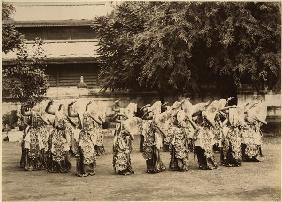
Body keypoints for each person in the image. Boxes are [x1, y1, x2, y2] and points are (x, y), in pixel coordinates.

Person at [68, 100, 103, 177]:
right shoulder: (81, 114)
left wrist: (92, 116)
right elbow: (70, 114)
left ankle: (89, 169)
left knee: (90, 152)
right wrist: (69, 106)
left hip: (90, 136)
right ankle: (83, 170)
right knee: (83, 152)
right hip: (83, 136)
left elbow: (100, 122)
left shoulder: (92, 115)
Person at [45, 100, 72, 173]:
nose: (62, 108)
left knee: (65, 148)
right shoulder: (56, 112)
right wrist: (49, 104)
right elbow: (47, 111)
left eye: (63, 107)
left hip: (63, 133)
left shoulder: (65, 114)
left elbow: (69, 119)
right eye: (61, 106)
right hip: (57, 132)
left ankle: (63, 165)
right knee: (55, 147)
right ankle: (56, 165)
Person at [20, 104, 47, 171]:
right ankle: (30, 164)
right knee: (28, 145)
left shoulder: (40, 115)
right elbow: (24, 113)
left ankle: (38, 163)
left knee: (41, 146)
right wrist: (23, 107)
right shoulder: (32, 113)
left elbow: (45, 122)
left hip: (38, 131)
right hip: (32, 131)